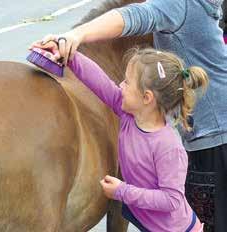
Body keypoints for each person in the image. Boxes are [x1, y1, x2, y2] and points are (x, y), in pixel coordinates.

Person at [31, 0, 227, 230]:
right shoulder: (130, 117)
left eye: (128, 82)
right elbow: (102, 84)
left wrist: (77, 34)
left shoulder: (167, 146)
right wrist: (70, 55)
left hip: (216, 142)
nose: (121, 85)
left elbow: (135, 16)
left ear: (147, 97)